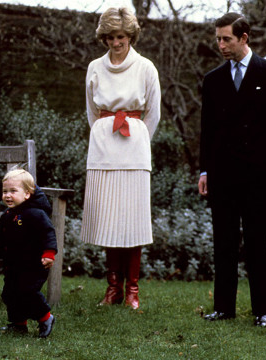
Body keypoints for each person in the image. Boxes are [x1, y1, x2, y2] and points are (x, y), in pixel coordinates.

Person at [198, 13, 266, 328]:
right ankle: (224, 307)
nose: (221, 45)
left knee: (257, 243)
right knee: (223, 242)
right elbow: (206, 130)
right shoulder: (213, 80)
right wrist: (204, 170)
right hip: (222, 174)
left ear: (244, 38)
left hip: (256, 174)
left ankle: (262, 310)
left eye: (227, 39)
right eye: (218, 39)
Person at [80, 7, 161, 310]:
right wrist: (103, 133)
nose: (116, 43)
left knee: (133, 220)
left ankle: (133, 290)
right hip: (103, 148)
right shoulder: (95, 67)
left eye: (122, 37)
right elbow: (91, 110)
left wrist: (139, 138)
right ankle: (112, 287)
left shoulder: (146, 67)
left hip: (134, 147)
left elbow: (154, 112)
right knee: (107, 218)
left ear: (131, 36)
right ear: (104, 38)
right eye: (111, 37)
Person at [0, 168, 58, 338]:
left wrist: (49, 253)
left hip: (34, 264)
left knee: (27, 291)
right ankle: (18, 324)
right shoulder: (8, 215)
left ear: (27, 194)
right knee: (10, 293)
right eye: (5, 191)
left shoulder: (36, 214)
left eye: (13, 191)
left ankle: (45, 317)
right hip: (13, 265)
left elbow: (48, 233)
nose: (7, 195)